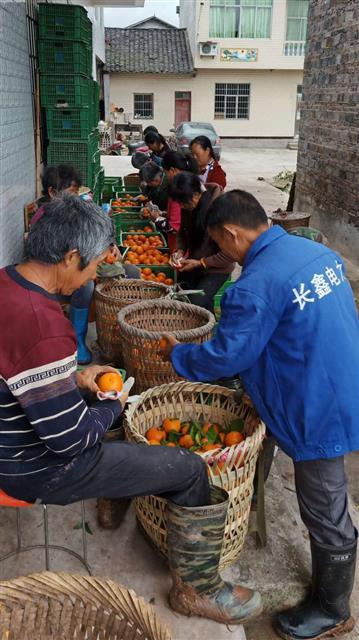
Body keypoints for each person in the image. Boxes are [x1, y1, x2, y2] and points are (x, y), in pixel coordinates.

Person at [0, 193, 262, 626]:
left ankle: (114, 498)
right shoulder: (43, 325)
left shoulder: (9, 283)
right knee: (187, 467)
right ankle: (197, 589)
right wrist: (112, 403)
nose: (94, 275)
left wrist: (78, 375)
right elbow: (71, 442)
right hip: (32, 467)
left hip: (11, 435)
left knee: (102, 404)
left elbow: (23, 377)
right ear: (69, 257)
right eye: (92, 265)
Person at [162, 189, 359, 640]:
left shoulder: (254, 285)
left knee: (325, 508)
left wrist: (181, 357)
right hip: (340, 376)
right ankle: (332, 601)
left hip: (316, 405)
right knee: (325, 498)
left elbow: (227, 357)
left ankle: (333, 609)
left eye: (218, 244)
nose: (220, 253)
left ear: (232, 233)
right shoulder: (312, 251)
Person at [169, 172, 234, 312]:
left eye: (184, 203)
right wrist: (179, 251)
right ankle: (207, 330)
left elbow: (229, 255)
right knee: (184, 292)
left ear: (196, 195)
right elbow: (182, 231)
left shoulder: (218, 209)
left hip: (218, 267)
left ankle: (206, 329)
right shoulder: (187, 206)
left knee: (194, 306)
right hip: (196, 263)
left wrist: (201, 263)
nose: (181, 206)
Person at [151, 151, 199, 252]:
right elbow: (178, 216)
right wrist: (163, 213)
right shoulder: (188, 183)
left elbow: (174, 227)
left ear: (173, 170)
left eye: (166, 172)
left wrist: (157, 219)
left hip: (180, 246)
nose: (166, 176)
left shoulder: (179, 191)